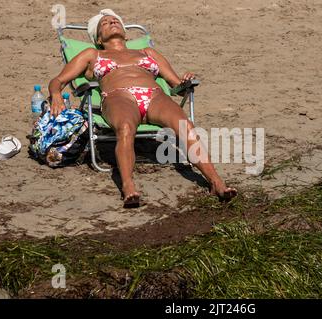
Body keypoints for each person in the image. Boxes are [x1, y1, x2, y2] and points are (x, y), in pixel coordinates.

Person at [48, 9, 237, 207]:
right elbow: (58, 80)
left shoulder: (148, 52)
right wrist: (56, 94)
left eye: (115, 20)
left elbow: (176, 87)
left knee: (185, 125)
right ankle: (128, 186)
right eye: (105, 23)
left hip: (155, 96)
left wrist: (185, 81)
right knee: (126, 128)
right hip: (119, 96)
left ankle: (216, 182)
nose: (112, 22)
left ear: (125, 32)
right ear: (98, 38)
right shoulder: (92, 54)